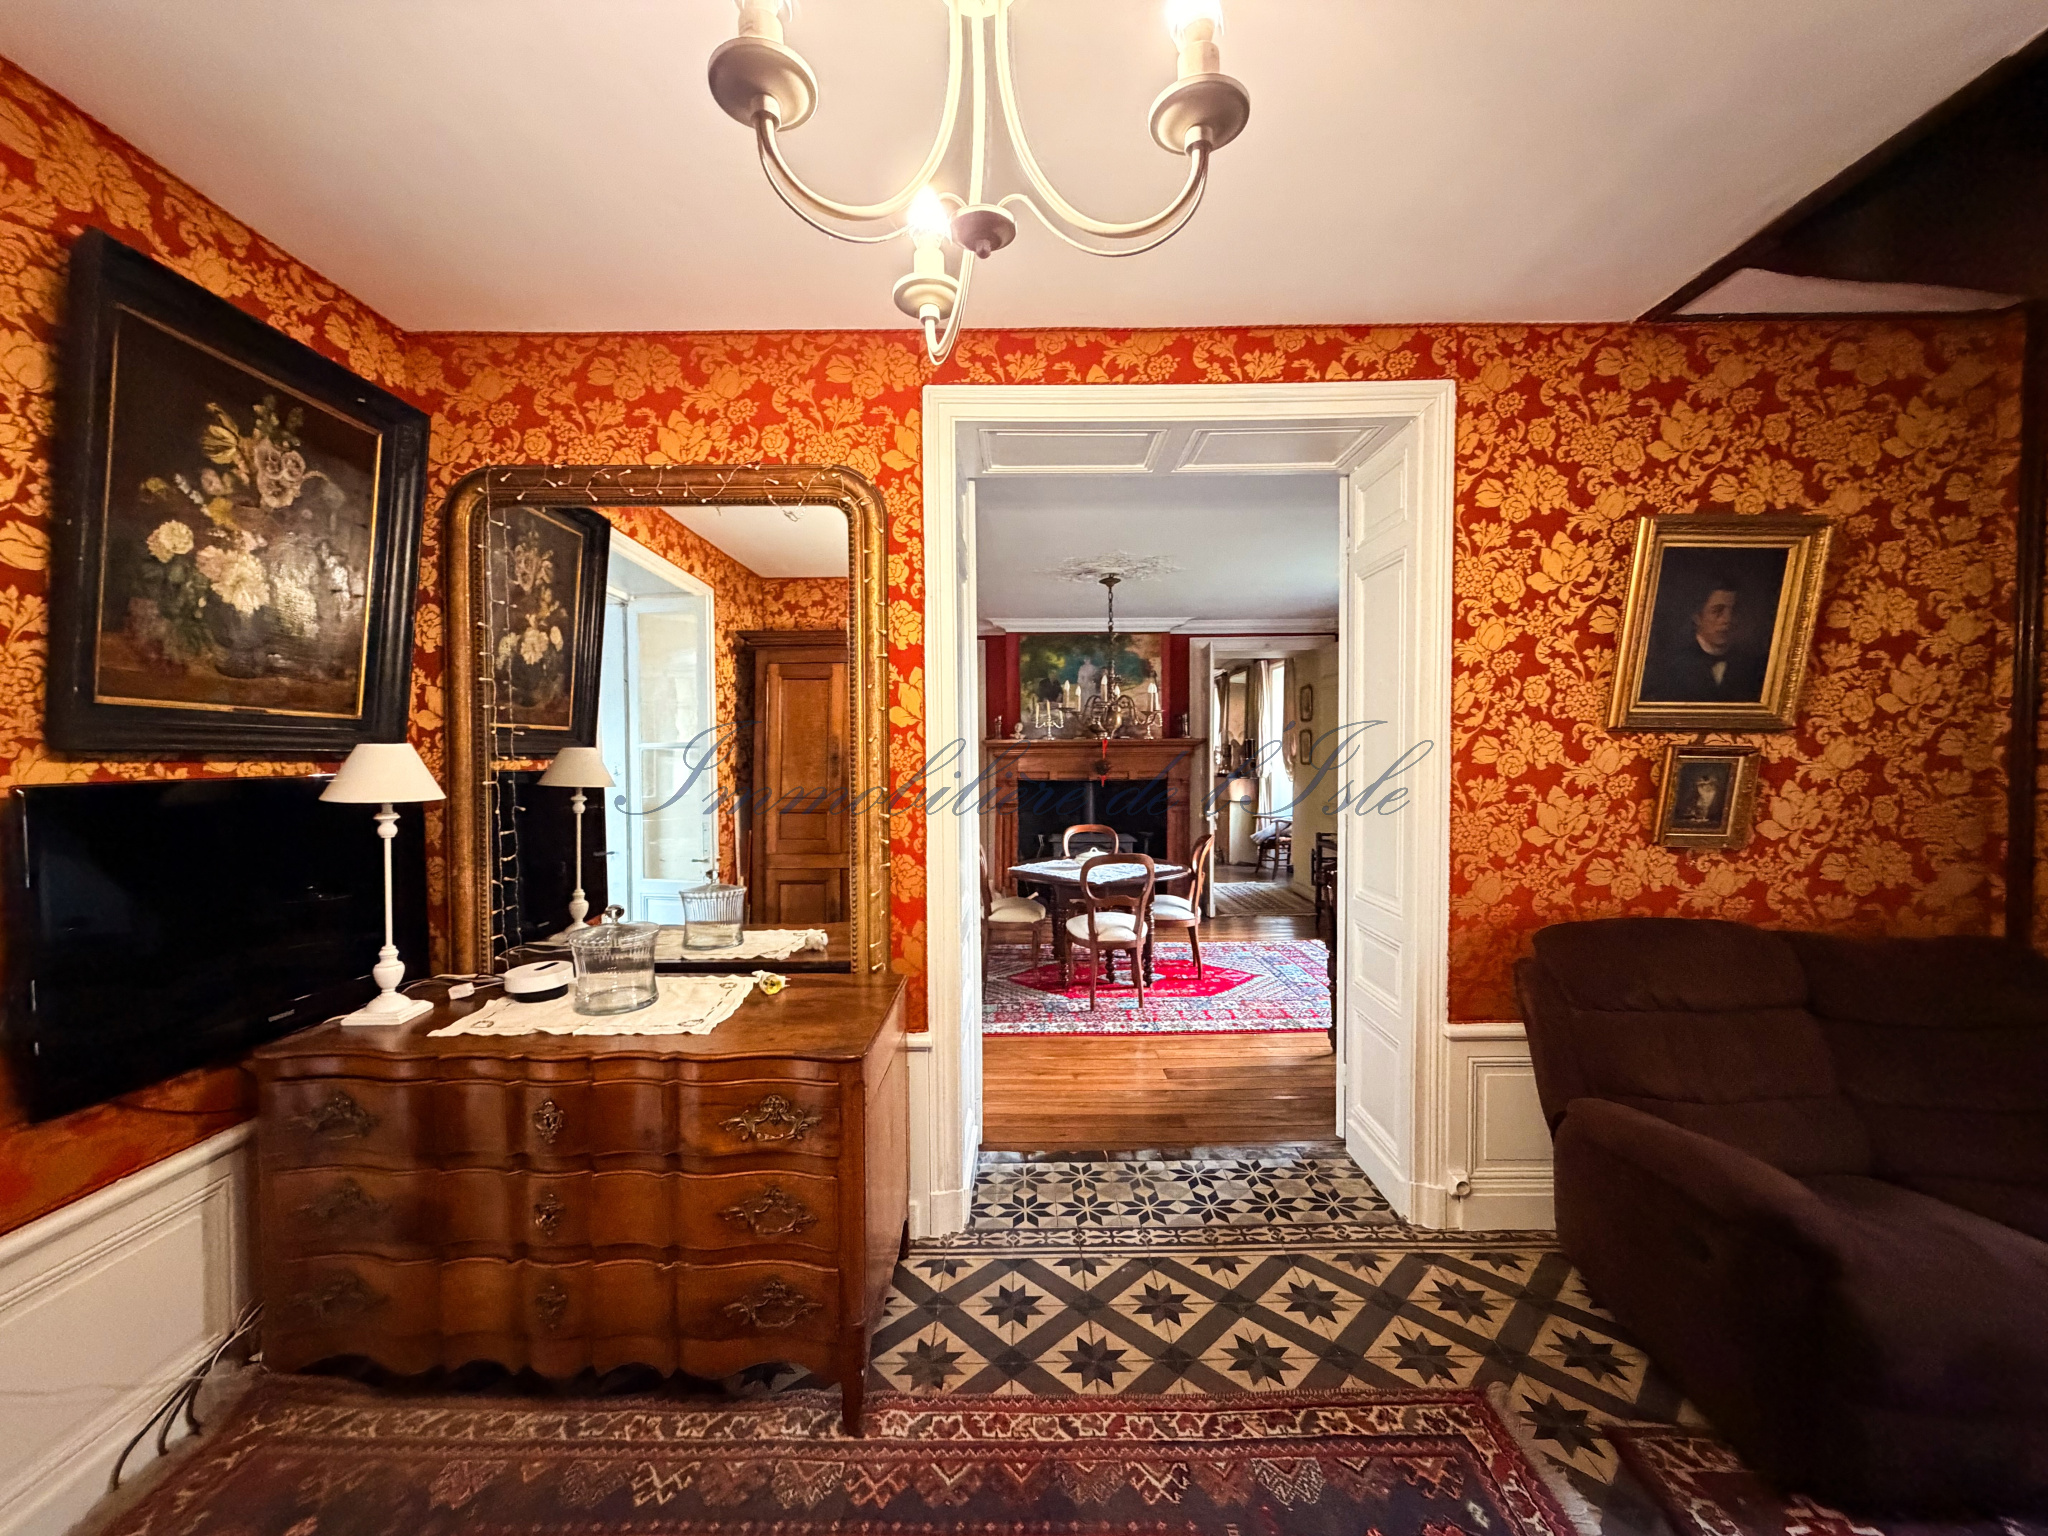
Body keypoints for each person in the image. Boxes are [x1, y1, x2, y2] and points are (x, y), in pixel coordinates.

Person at [1639, 573, 1769, 703]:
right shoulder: (1671, 666)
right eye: (1717, 611)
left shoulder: (1754, 666)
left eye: (1734, 610)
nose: (1728, 619)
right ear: (1697, 616)